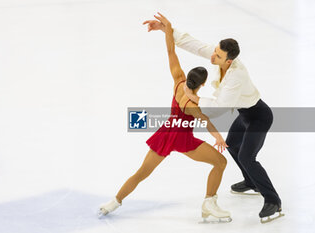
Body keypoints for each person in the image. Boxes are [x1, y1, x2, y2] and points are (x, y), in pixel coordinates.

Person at [143, 15, 283, 223]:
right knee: (232, 146)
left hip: (258, 117)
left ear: (229, 60)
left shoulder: (237, 76)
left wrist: (195, 98)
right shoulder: (220, 57)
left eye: (217, 56)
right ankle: (251, 181)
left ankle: (273, 201)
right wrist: (168, 30)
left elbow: (219, 108)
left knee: (247, 156)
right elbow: (197, 46)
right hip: (244, 114)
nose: (212, 57)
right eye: (215, 52)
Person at [98, 13, 231, 222]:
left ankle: (114, 202)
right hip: (184, 140)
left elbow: (171, 50)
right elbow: (206, 120)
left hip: (166, 134)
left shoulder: (179, 80)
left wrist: (166, 28)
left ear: (188, 78)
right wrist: (219, 138)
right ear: (202, 85)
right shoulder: (193, 104)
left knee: (141, 173)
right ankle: (209, 202)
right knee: (221, 163)